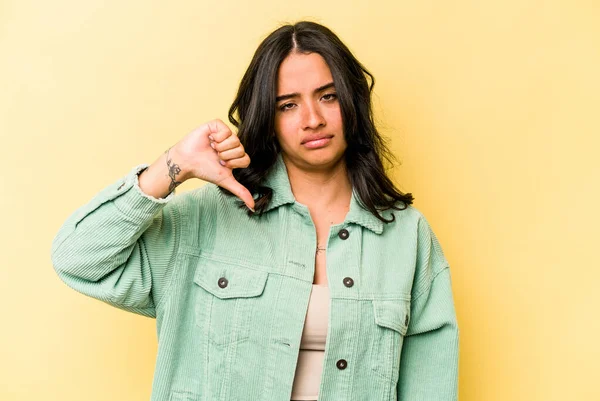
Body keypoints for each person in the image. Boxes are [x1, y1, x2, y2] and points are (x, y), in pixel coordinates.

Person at [51, 21, 459, 401]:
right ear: (267, 116)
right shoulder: (204, 221)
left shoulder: (406, 235)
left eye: (328, 96)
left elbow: (431, 385)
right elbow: (78, 257)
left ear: (352, 103)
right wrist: (174, 165)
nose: (313, 120)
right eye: (288, 105)